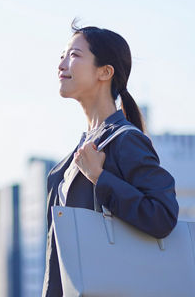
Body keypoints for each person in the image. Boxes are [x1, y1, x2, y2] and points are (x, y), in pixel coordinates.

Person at [41, 20, 179, 297]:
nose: (61, 64)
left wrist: (100, 178)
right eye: (62, 56)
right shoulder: (72, 160)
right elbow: (58, 261)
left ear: (105, 72)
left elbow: (162, 215)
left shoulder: (125, 140)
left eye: (74, 55)